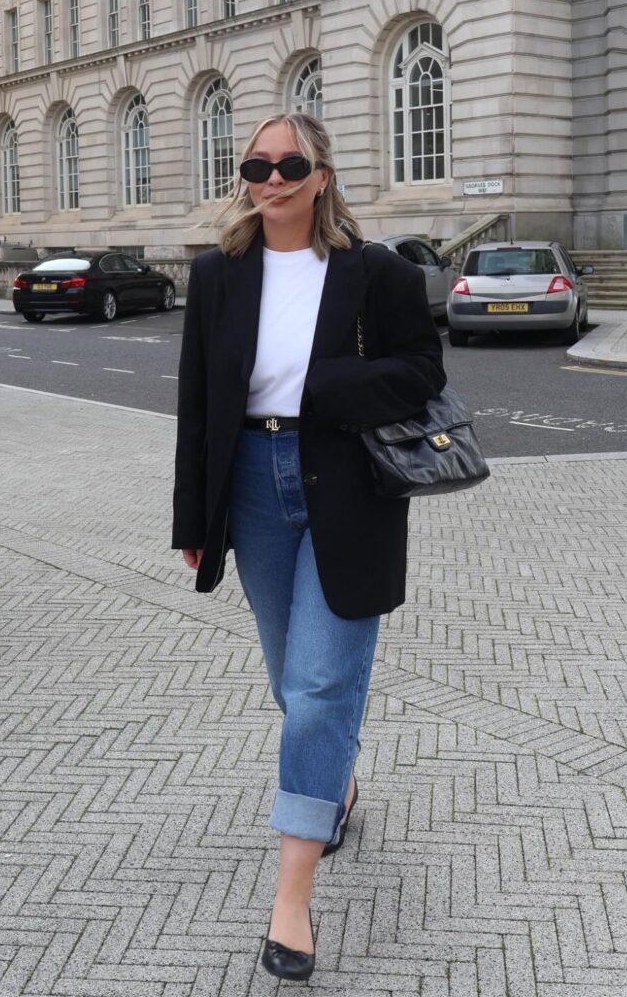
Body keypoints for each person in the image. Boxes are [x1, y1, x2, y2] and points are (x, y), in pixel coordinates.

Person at [172, 112, 446, 981]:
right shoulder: (217, 275)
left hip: (347, 486)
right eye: (258, 163)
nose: (273, 177)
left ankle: (290, 900)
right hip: (250, 485)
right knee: (293, 678)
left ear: (321, 174)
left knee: (322, 683)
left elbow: (421, 372)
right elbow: (197, 405)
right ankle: (335, 787)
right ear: (245, 176)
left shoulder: (379, 273)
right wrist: (192, 520)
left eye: (291, 163)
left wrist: (326, 385)